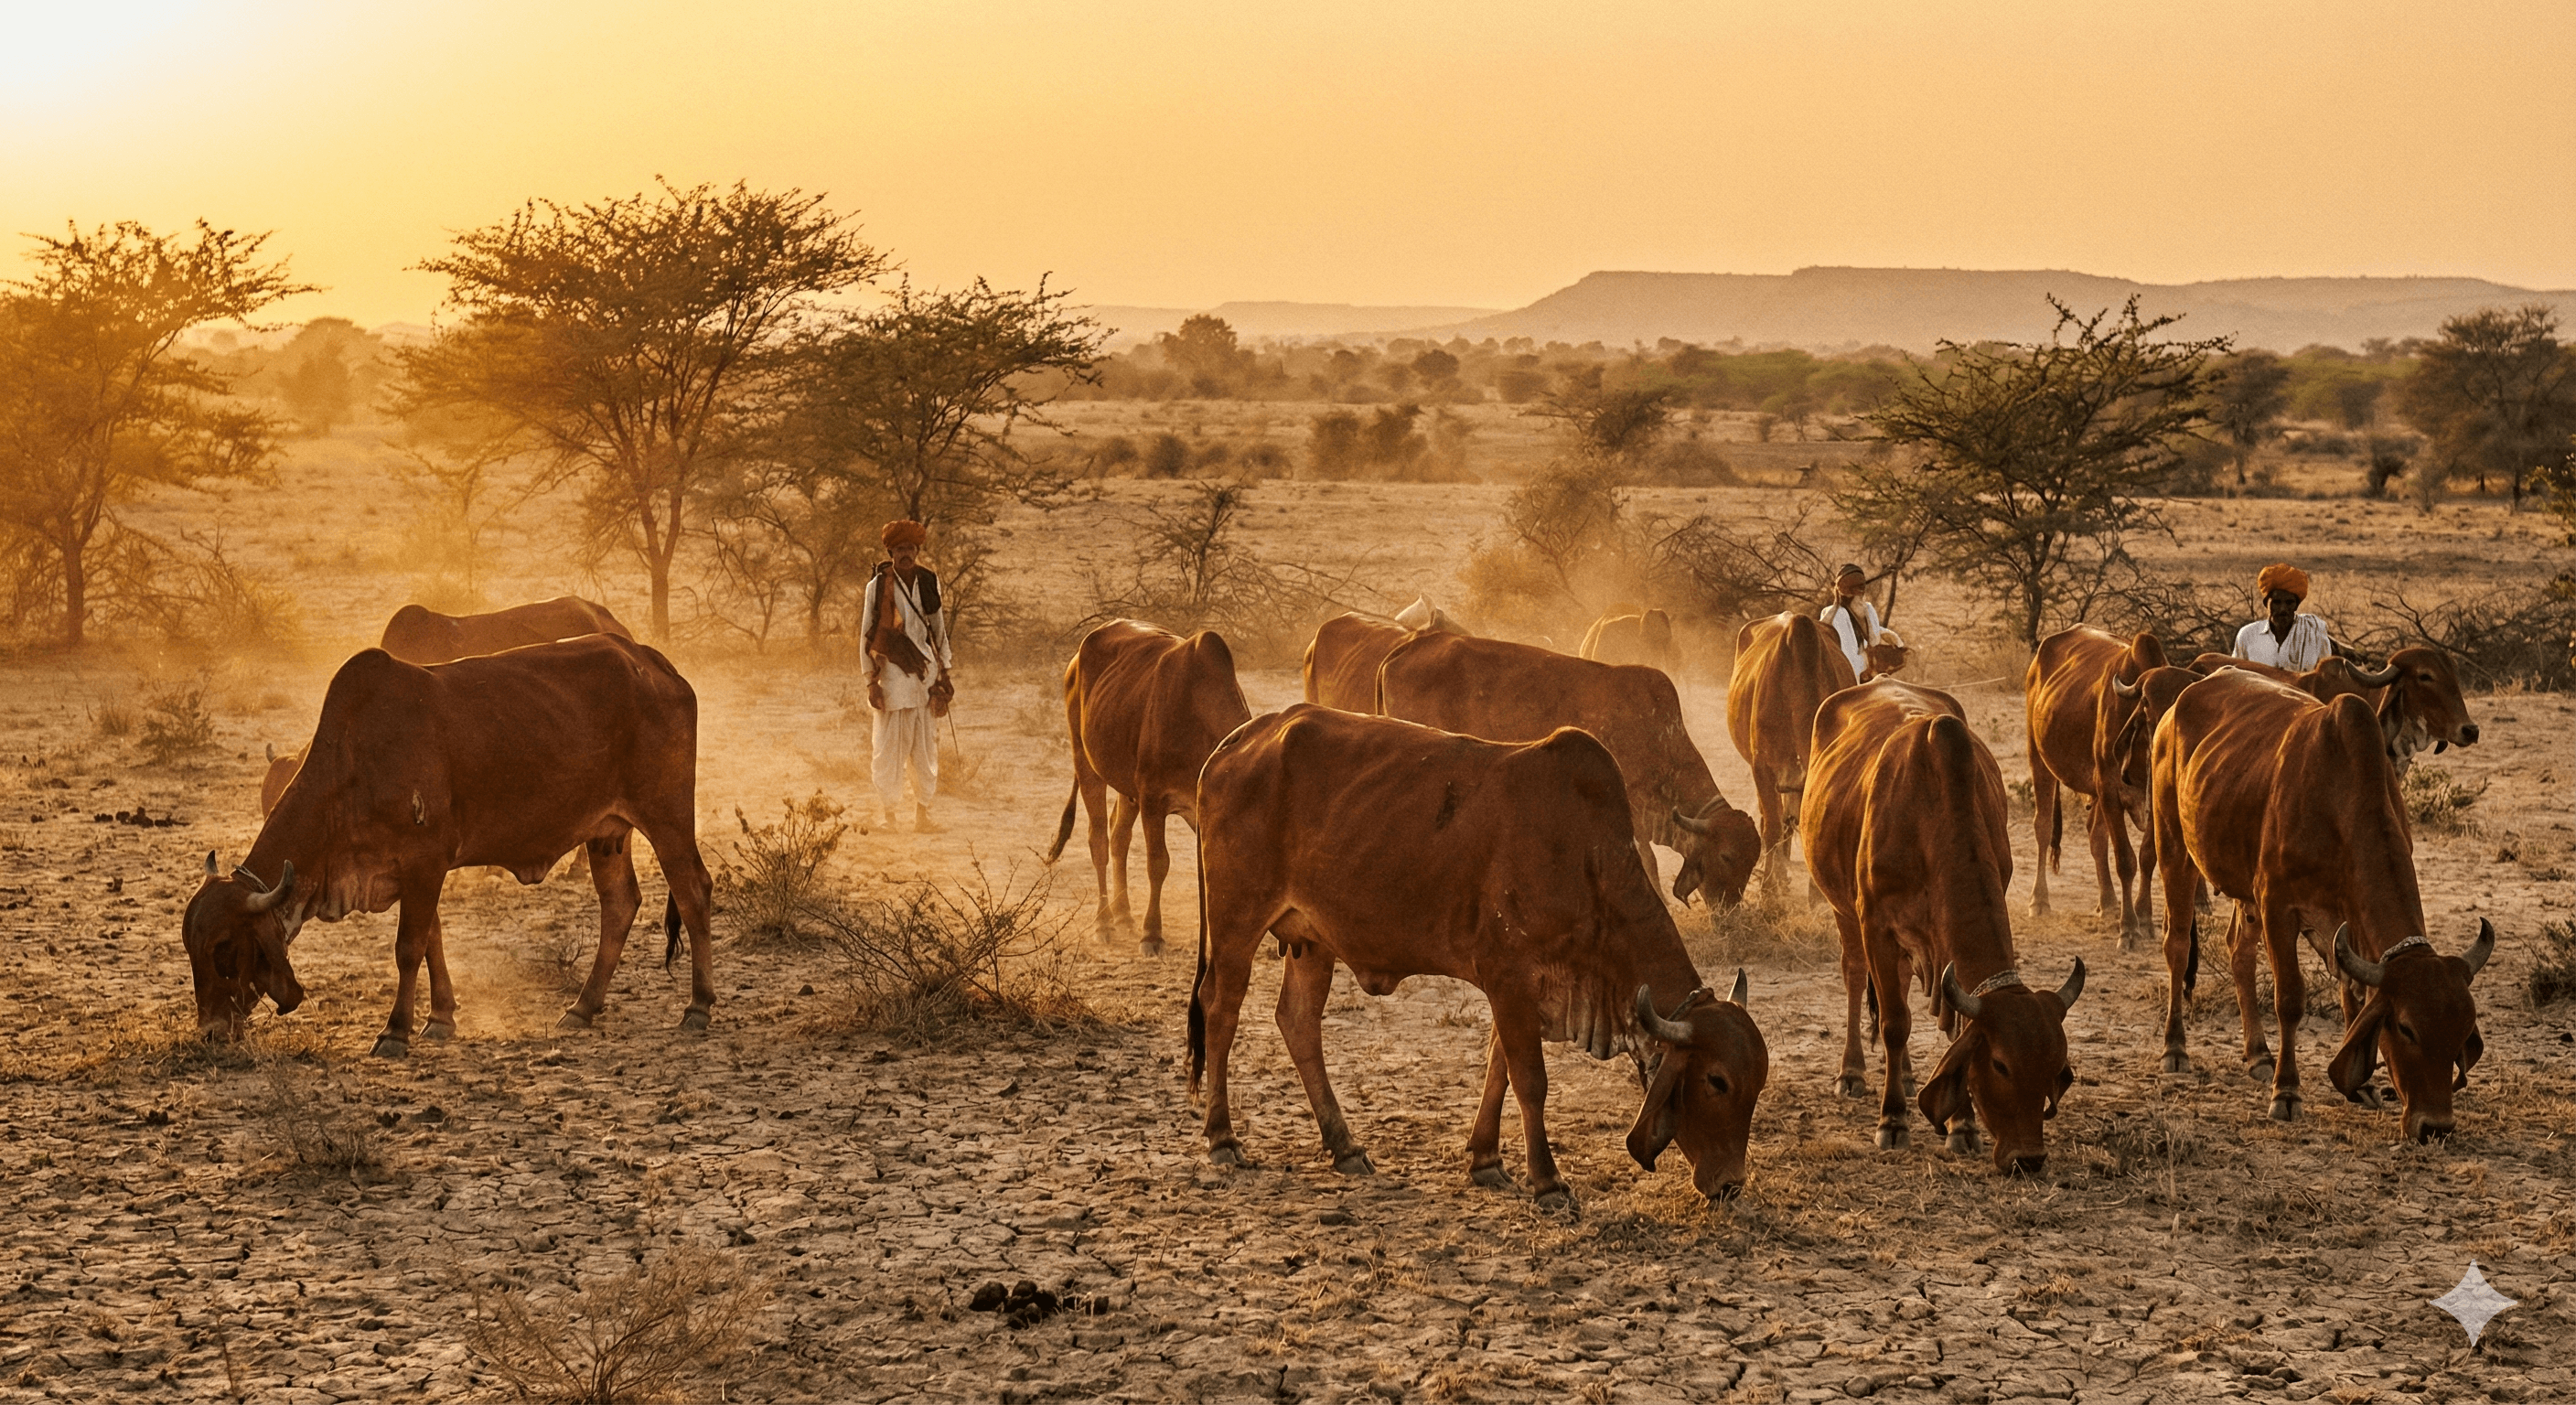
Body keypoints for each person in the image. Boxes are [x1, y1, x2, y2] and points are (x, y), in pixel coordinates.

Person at [862, 520, 955, 831]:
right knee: (888, 750)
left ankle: (922, 816)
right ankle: (889, 817)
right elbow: (867, 633)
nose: (906, 554)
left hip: (925, 676)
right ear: (890, 551)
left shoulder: (928, 581)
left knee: (925, 749)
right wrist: (870, 681)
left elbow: (938, 629)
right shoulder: (876, 587)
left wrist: (946, 672)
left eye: (911, 549)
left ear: (917, 551)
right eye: (900, 549)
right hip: (891, 677)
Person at [2232, 563, 2333, 672]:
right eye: (2276, 602)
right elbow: (2235, 677)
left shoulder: (2315, 634)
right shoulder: (2247, 635)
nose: (2282, 610)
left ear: (2296, 606)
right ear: (2266, 603)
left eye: (2289, 603)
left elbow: (2325, 678)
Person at [1819, 563, 1884, 681]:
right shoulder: (1837, 614)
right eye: (1856, 589)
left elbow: (1874, 641)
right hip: (1844, 675)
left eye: (1861, 588)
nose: (1860, 594)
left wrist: (1867, 618)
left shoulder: (1867, 609)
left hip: (1865, 673)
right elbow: (1848, 655)